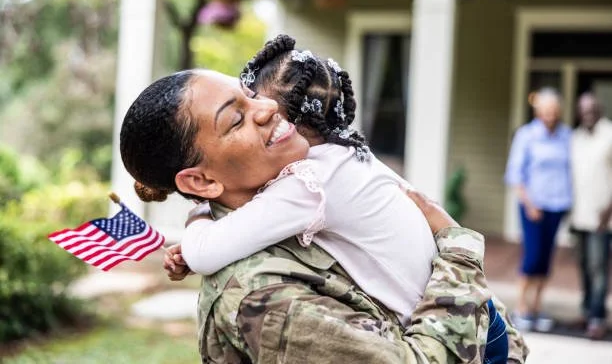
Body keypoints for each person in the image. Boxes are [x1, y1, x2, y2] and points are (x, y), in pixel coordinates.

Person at [119, 66, 527, 363]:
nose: (268, 107)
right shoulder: (260, 290)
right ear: (200, 182)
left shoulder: (307, 187)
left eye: (250, 93)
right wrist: (458, 250)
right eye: (237, 118)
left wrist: (197, 221)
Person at [505, 88, 572, 331]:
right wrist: (529, 204)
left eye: (554, 111)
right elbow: (514, 174)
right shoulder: (527, 135)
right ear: (537, 111)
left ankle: (536, 307)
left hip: (557, 206)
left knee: (545, 260)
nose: (550, 115)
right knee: (532, 258)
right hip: (532, 206)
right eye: (545, 111)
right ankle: (521, 308)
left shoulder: (566, 135)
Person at [570, 92, 612, 340]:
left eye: (592, 108)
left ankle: (598, 318)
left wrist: (608, 211)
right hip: (579, 216)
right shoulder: (576, 137)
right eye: (584, 109)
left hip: (601, 218)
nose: (588, 113)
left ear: (600, 109)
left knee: (598, 268)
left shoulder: (610, 134)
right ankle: (586, 312)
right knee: (584, 267)